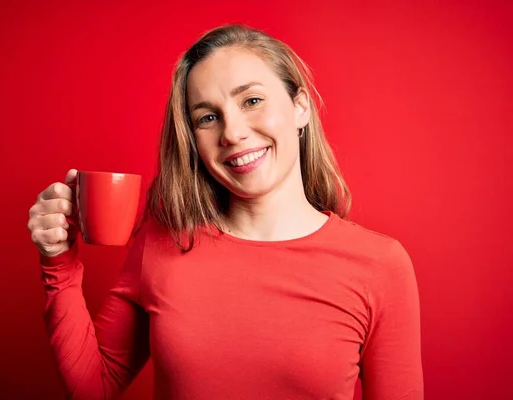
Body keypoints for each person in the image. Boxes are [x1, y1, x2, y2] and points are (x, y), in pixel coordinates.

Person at [27, 24, 423, 399]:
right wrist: (58, 261)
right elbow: (92, 387)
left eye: (251, 100)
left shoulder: (379, 265)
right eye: (208, 117)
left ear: (300, 106)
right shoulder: (162, 242)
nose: (232, 133)